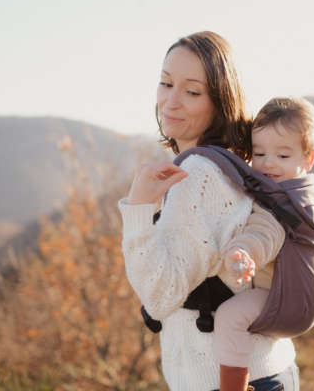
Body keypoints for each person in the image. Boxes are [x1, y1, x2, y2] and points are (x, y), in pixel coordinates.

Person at [118, 31, 299, 391]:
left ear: (219, 102)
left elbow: (161, 293)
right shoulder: (229, 165)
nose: (171, 101)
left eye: (192, 91)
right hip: (262, 372)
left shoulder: (200, 175)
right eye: (166, 83)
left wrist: (138, 208)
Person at [214, 96, 314, 391]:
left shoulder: (284, 202)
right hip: (300, 301)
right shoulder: (309, 193)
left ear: (308, 158)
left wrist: (243, 252)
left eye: (283, 156)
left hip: (285, 300)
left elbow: (266, 232)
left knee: (229, 316)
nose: (268, 164)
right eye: (259, 153)